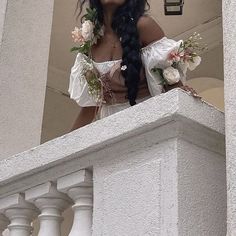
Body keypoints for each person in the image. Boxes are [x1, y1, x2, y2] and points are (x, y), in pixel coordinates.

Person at [68, 0, 199, 131]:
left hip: (147, 120)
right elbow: (91, 106)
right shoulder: (90, 40)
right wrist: (65, 144)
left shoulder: (144, 26)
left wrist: (183, 96)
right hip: (110, 127)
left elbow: (171, 83)